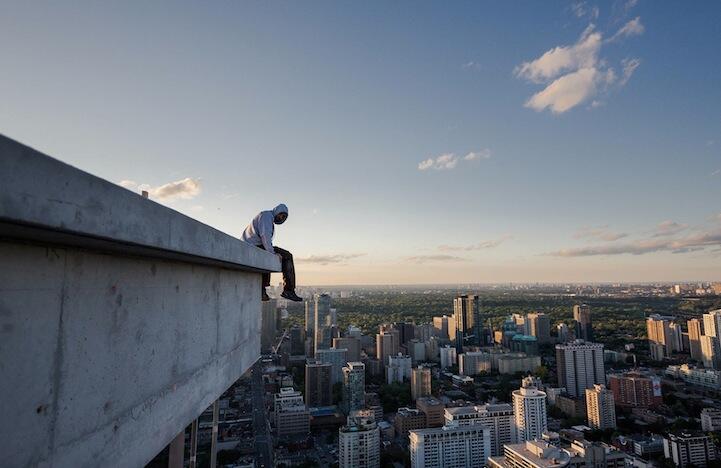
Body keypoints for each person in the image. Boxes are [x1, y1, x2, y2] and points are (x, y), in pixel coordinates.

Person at [241, 203, 302, 302]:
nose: (281, 219)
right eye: (281, 215)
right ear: (277, 211)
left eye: (284, 218)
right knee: (287, 256)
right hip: (253, 245)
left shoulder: (267, 217)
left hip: (252, 245)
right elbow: (265, 236)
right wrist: (272, 253)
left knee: (266, 257)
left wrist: (270, 252)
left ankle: (262, 290)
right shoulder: (266, 216)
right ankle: (289, 290)